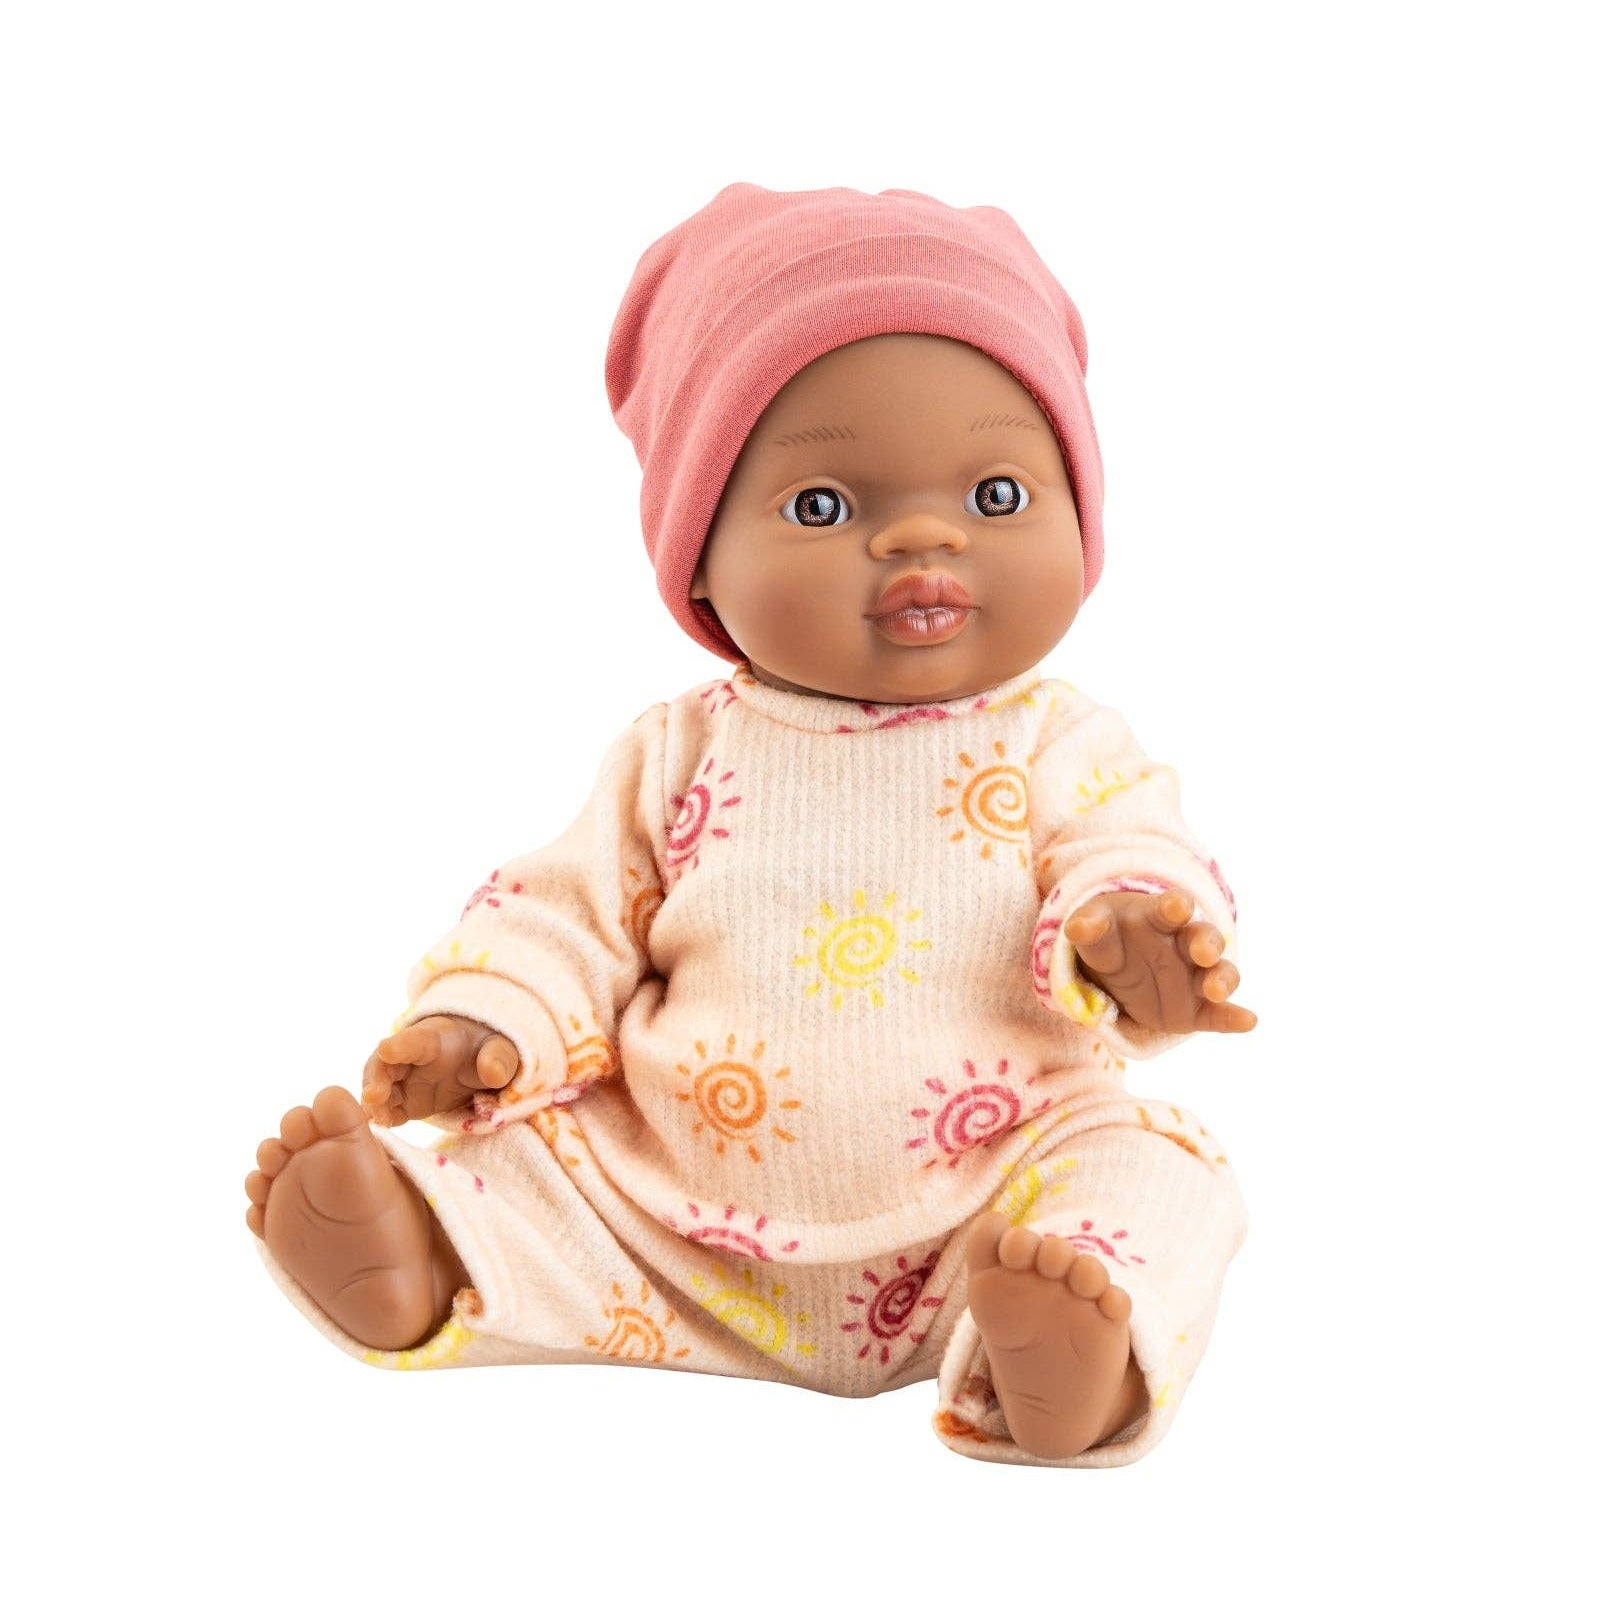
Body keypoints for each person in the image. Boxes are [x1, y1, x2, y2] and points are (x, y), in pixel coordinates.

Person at [245, 183, 1255, 1467]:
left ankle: (1062, 1355)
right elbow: (564, 915)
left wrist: (1137, 937)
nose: (923, 535)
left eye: (997, 493)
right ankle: (429, 1253)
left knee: (1163, 1171)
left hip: (985, 1211)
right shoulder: (678, 755)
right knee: (534, 1164)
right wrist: (484, 1025)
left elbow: (1132, 844)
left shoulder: (1058, 739)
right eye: (825, 506)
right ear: (699, 561)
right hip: (674, 1220)